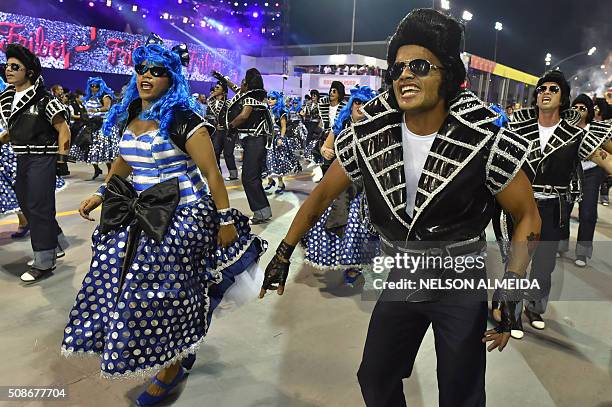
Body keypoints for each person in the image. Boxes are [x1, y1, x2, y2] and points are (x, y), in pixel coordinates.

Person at [260, 9, 541, 406]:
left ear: (446, 73)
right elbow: (322, 195)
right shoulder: (371, 136)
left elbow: (527, 214)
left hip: (460, 279)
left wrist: (512, 288)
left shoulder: (483, 140)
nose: (405, 74)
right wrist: (284, 251)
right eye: (397, 68)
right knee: (375, 377)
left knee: (461, 392)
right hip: (404, 274)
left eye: (420, 66)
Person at [61, 34, 267, 406]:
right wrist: (102, 193)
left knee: (166, 295)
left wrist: (223, 221)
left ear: (172, 79)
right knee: (118, 283)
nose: (147, 76)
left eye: (157, 71)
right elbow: (125, 162)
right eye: (142, 69)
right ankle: (168, 347)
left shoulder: (185, 119)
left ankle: (176, 361)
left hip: (183, 218)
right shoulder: (132, 114)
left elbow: (212, 174)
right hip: (139, 215)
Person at [499, 71, 612, 337]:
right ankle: (510, 314)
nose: (545, 92)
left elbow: (605, 159)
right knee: (515, 261)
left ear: (563, 98)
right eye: (541, 89)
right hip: (521, 205)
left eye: (553, 89)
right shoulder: (518, 128)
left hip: (553, 207)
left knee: (544, 264)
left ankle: (534, 308)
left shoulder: (576, 135)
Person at [0, 44, 71, 282]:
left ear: (29, 72)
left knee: (38, 206)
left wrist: (61, 160)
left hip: (43, 158)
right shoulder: (8, 99)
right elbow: (13, 131)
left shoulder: (44, 100)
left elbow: (64, 129)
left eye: (14, 67)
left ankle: (43, 260)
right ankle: (56, 242)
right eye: (7, 66)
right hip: (22, 157)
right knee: (26, 204)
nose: (8, 70)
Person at [301, 85, 380, 285]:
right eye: (357, 103)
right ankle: (341, 258)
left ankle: (355, 264)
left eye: (365, 104)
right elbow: (326, 147)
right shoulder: (341, 126)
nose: (360, 108)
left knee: (359, 228)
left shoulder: (376, 130)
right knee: (335, 223)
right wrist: (326, 151)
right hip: (339, 186)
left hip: (364, 188)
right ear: (352, 105)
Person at [216, 68, 273, 224]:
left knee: (249, 178)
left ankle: (261, 213)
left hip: (255, 140)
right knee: (252, 177)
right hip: (254, 141)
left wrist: (230, 126)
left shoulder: (250, 97)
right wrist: (223, 78)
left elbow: (244, 116)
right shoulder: (254, 94)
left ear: (247, 84)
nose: (239, 83)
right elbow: (235, 88)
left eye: (243, 81)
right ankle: (263, 211)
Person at [69, 77, 118, 180]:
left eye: (96, 86)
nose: (94, 88)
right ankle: (97, 169)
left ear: (101, 86)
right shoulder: (89, 97)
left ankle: (110, 173)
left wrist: (95, 109)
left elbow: (107, 107)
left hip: (103, 126)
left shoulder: (105, 96)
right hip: (91, 125)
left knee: (105, 151)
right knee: (89, 148)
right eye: (92, 86)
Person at [264, 91, 302, 194]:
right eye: (268, 98)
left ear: (277, 100)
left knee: (278, 162)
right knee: (267, 161)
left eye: (272, 98)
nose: (270, 100)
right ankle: (270, 181)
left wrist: (281, 138)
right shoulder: (267, 110)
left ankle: (280, 183)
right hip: (268, 139)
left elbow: (284, 127)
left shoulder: (281, 111)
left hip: (277, 139)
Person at [207, 79, 238, 181]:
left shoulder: (229, 103)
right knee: (215, 152)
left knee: (228, 153)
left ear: (224, 91)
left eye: (218, 88)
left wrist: (228, 126)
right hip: (217, 132)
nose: (215, 89)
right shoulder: (210, 102)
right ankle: (218, 174)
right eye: (215, 87)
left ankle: (233, 174)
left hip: (228, 132)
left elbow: (234, 117)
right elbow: (208, 117)